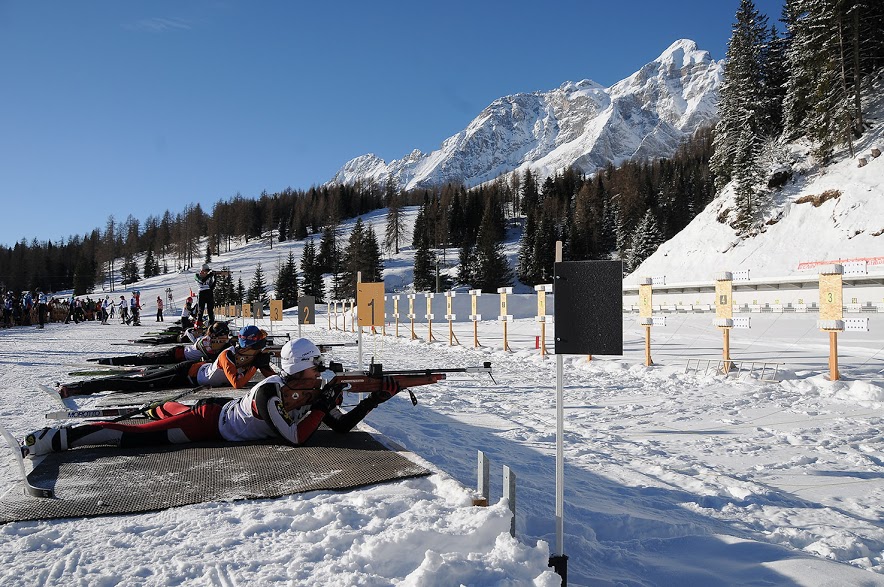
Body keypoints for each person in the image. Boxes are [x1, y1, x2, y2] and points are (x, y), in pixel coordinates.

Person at [22, 338, 401, 457]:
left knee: (166, 410)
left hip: (220, 410)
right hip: (206, 424)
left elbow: (338, 427)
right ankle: (55, 438)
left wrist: (374, 400)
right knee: (135, 436)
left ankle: (160, 406)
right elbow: (296, 438)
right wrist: (322, 403)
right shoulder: (272, 391)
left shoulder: (302, 389)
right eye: (316, 369)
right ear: (301, 368)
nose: (320, 375)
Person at [57, 325, 276, 398]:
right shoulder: (227, 354)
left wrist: (271, 372)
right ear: (248, 343)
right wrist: (256, 366)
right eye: (258, 343)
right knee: (136, 385)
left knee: (140, 379)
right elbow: (237, 383)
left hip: (192, 376)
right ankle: (76, 388)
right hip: (185, 373)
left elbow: (271, 376)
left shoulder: (251, 354)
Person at [93, 322, 234, 366]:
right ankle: (112, 361)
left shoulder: (211, 340)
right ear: (217, 334)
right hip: (176, 355)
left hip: (179, 355)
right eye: (224, 334)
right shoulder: (206, 341)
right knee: (146, 359)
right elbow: (212, 356)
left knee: (149, 357)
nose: (226, 337)